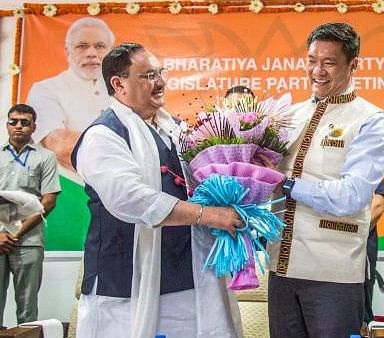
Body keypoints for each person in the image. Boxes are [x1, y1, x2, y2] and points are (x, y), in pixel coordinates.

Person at [72, 43, 243, 338]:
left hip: (188, 278)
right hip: (125, 288)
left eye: (160, 73)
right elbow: (131, 199)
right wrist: (208, 215)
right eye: (148, 75)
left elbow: (205, 181)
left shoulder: (175, 129)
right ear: (119, 83)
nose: (160, 82)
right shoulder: (104, 135)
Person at [267, 23, 384, 337]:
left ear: (354, 65)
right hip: (280, 269)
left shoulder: (370, 120)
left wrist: (289, 184)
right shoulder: (288, 115)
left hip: (334, 275)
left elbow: (351, 196)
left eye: (329, 63)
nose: (317, 71)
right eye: (311, 60)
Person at [0, 104, 61, 326]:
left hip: (28, 241)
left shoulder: (46, 157)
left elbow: (49, 200)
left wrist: (15, 231)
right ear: (7, 124)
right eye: (13, 121)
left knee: (27, 310)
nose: (19, 126)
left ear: (34, 127)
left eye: (25, 122)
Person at [28, 17, 114, 171]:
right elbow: (60, 146)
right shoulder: (45, 89)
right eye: (82, 46)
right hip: (69, 189)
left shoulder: (125, 88)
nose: (91, 53)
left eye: (100, 46)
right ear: (67, 50)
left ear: (110, 51)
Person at [362, 180, 384, 334]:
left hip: (359, 251)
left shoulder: (366, 159)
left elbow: (378, 205)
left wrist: (347, 234)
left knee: (360, 315)